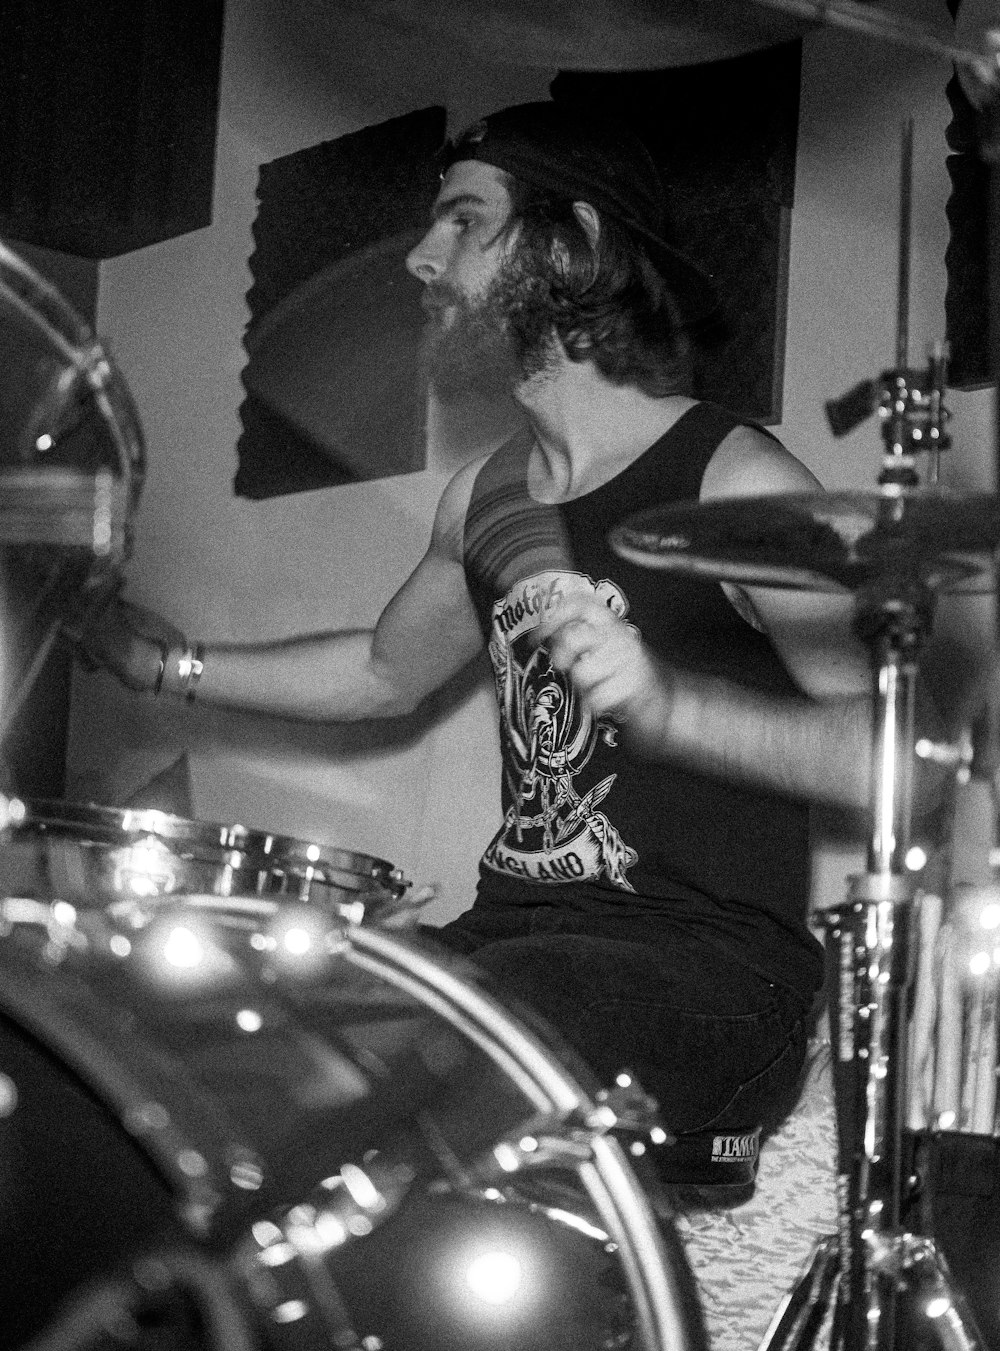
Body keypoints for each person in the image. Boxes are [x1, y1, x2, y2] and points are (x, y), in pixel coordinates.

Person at [77, 101, 882, 1198]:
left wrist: (670, 703)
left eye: (463, 220)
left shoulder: (733, 479)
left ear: (578, 245)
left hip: (709, 979)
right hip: (513, 942)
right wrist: (163, 667)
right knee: (263, 1030)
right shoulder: (488, 492)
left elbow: (892, 763)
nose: (420, 255)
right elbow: (381, 672)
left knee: (464, 1030)